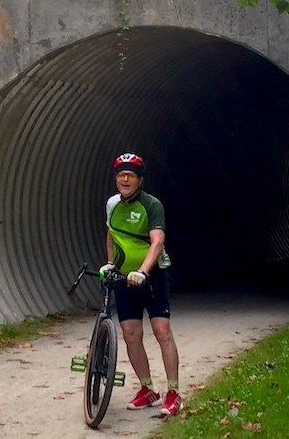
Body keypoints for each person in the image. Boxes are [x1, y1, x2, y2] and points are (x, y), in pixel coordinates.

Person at [99, 152, 182, 416]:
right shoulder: (113, 204)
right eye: (121, 175)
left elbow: (157, 241)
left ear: (140, 180)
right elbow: (112, 235)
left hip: (152, 275)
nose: (125, 179)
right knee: (131, 334)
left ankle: (173, 392)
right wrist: (110, 263)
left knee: (161, 331)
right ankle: (148, 389)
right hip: (124, 277)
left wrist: (143, 271)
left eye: (130, 175)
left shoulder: (151, 205)